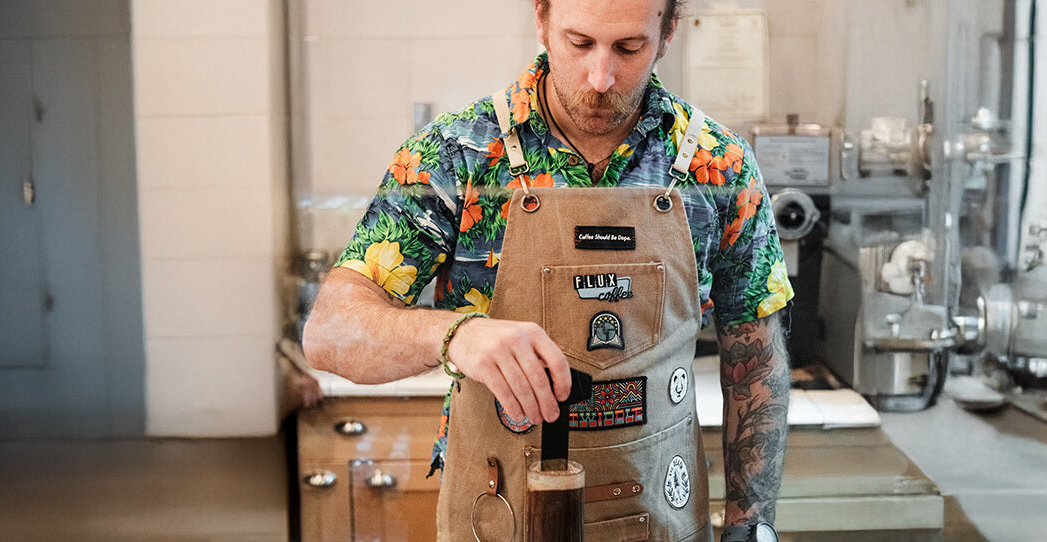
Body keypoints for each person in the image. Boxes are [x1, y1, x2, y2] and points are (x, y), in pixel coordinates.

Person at [304, 0, 796, 539]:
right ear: (540, 17)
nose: (600, 78)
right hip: (499, 510)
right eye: (579, 43)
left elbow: (757, 363)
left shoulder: (719, 165)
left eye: (629, 48)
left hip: (662, 511)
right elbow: (329, 333)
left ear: (669, 29)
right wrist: (455, 335)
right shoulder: (456, 155)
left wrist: (752, 526)